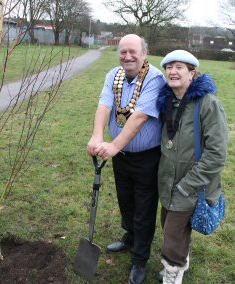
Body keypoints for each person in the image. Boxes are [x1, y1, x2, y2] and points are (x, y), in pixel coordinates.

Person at [86, 34, 165, 284]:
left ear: (144, 54)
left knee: (144, 209)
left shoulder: (155, 78)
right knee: (126, 202)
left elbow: (140, 116)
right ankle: (130, 238)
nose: (127, 57)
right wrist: (97, 137)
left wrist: (114, 145)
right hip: (120, 155)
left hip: (147, 157)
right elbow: (104, 106)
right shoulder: (114, 75)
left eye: (133, 52)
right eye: (123, 52)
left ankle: (139, 261)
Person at [156, 50, 228, 284]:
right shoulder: (167, 101)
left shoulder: (207, 104)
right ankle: (180, 261)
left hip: (191, 183)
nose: (172, 72)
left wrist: (187, 185)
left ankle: (173, 272)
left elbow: (217, 154)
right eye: (169, 67)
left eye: (179, 67)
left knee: (172, 233)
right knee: (168, 224)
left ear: (192, 73)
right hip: (167, 180)